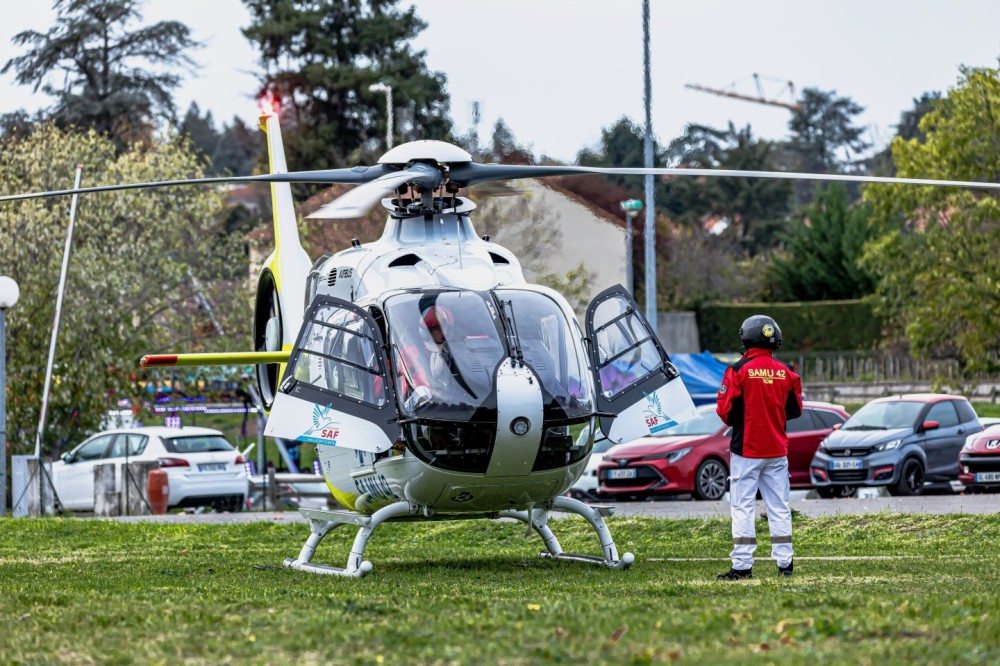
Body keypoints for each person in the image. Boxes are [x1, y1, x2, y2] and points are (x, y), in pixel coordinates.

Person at [715, 314, 802, 580]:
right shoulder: (787, 372)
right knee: (779, 507)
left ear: (746, 337)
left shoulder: (738, 370)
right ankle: (785, 564)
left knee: (742, 507)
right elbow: (795, 410)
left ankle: (742, 567)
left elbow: (724, 410)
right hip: (777, 450)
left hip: (747, 450)